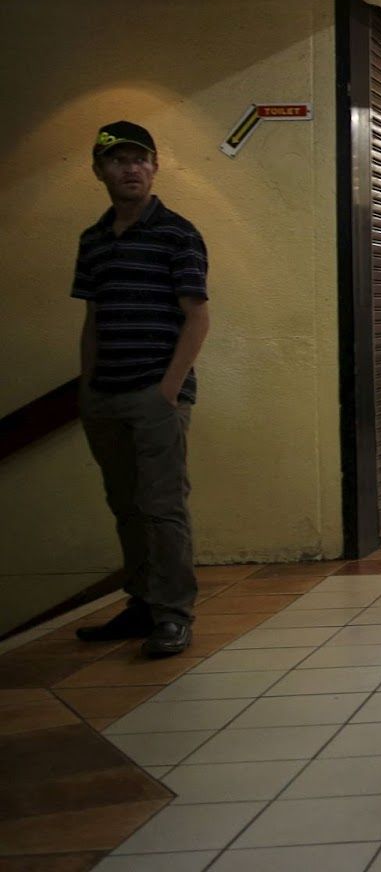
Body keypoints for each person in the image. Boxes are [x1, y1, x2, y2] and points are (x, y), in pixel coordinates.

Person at [71, 122, 210, 658]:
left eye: (139, 159)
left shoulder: (178, 233)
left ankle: (174, 614)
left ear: (154, 167)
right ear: (99, 171)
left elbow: (197, 318)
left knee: (162, 507)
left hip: (155, 397)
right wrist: (87, 387)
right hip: (104, 395)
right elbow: (93, 317)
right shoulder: (93, 239)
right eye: (117, 160)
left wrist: (166, 391)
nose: (129, 168)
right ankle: (143, 604)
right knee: (125, 506)